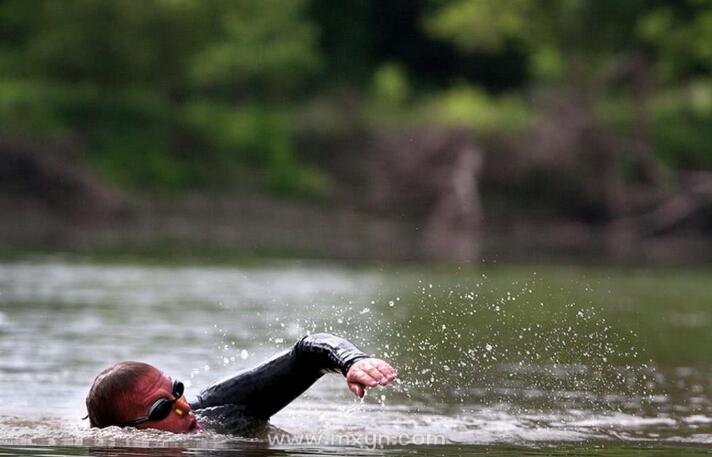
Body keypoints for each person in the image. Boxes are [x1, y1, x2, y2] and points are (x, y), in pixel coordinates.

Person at [85, 333, 397, 435]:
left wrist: (352, 360)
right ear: (124, 437)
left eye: (176, 390)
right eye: (162, 408)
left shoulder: (216, 410)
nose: (183, 405)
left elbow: (306, 354)